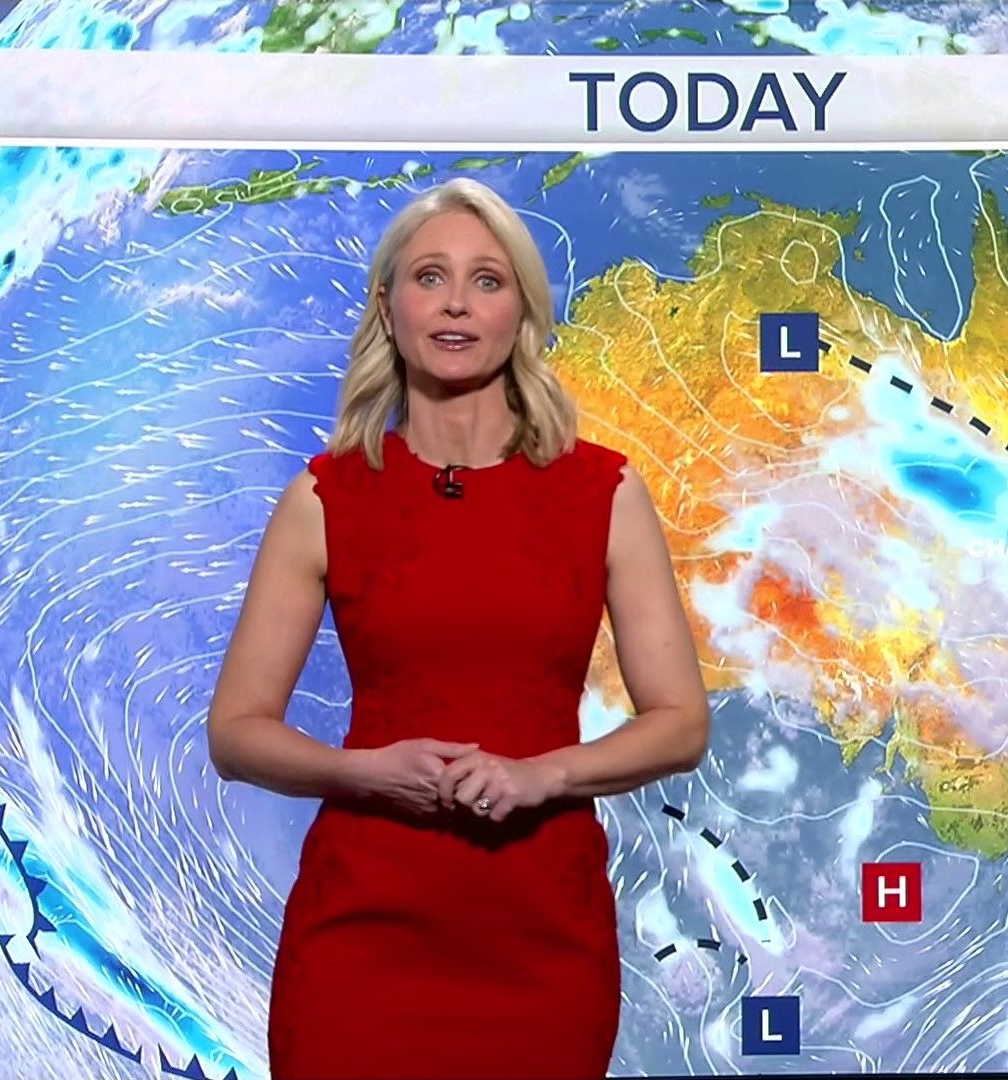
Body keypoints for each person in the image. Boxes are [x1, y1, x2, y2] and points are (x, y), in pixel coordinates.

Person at [204, 177, 710, 1080]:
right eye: (430, 277)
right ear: (388, 307)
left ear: (522, 311)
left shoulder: (603, 493)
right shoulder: (325, 498)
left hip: (540, 944)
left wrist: (544, 773)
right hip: (360, 942)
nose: (456, 303)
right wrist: (361, 773)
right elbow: (236, 733)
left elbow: (680, 722)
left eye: (487, 280)